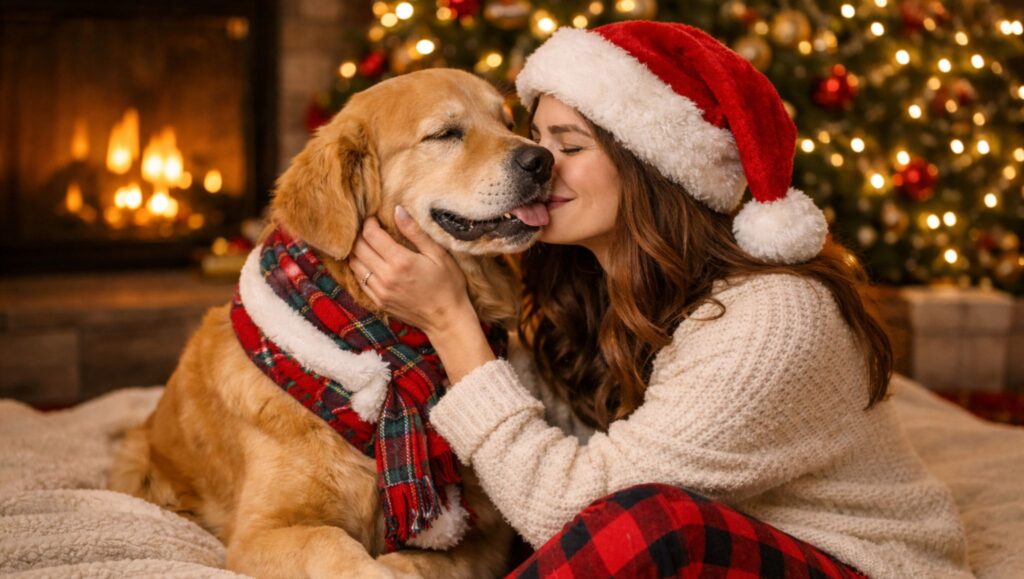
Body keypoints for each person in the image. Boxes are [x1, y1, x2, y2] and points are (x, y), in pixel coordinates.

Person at [350, 21, 972, 578]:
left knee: (654, 522)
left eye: (569, 146)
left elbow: (575, 517)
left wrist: (449, 322)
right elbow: (541, 453)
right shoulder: (589, 288)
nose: (536, 162)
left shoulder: (776, 317)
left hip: (847, 563)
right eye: (535, 138)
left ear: (650, 164)